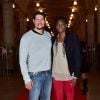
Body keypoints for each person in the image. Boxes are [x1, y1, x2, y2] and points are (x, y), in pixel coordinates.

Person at [19, 12, 52, 100]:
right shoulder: (26, 37)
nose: (39, 22)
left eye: (41, 19)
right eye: (37, 19)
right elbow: (22, 60)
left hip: (48, 74)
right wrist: (26, 79)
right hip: (35, 75)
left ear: (44, 21)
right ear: (33, 21)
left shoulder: (48, 35)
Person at [52, 17, 81, 100]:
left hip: (69, 74)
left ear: (65, 26)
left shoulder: (72, 38)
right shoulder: (53, 39)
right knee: (58, 97)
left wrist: (75, 76)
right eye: (58, 24)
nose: (60, 26)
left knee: (69, 96)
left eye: (62, 24)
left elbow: (77, 57)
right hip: (56, 74)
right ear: (56, 26)